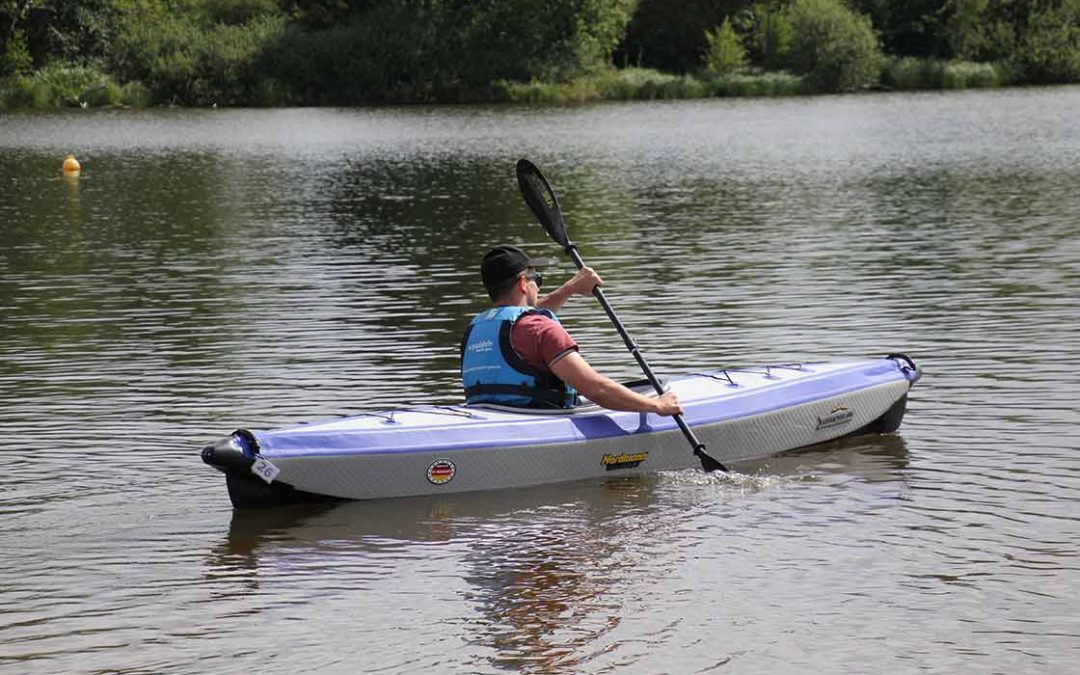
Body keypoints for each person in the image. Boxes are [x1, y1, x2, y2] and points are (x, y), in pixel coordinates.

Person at [461, 244, 683, 415]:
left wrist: (570, 288)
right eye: (536, 279)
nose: (538, 286)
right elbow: (596, 389)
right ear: (522, 283)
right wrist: (657, 405)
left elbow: (526, 315)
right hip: (543, 421)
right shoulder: (540, 330)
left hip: (495, 418)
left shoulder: (476, 330)